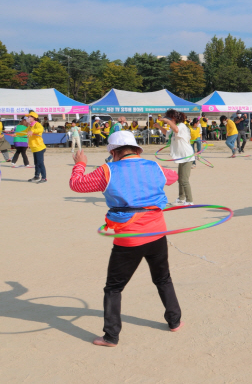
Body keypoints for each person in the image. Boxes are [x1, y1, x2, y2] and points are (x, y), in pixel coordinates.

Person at [69, 131, 183, 346]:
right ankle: (174, 322)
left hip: (130, 237)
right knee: (163, 278)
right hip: (157, 232)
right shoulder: (154, 167)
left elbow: (77, 184)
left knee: (114, 288)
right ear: (136, 149)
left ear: (113, 152)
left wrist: (80, 164)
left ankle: (111, 336)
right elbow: (173, 176)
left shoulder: (107, 171)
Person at [156, 110, 194, 206]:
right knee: (180, 179)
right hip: (181, 157)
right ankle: (181, 198)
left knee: (184, 180)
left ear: (174, 118)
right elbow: (167, 133)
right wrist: (159, 127)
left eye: (169, 118)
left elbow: (176, 130)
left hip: (186, 156)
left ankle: (189, 201)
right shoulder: (174, 128)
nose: (167, 120)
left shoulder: (181, 126)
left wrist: (167, 121)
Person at [24, 111, 47, 183]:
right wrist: (15, 134)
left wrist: (32, 131)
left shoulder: (37, 124)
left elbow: (41, 129)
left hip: (39, 147)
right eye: (28, 117)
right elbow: (24, 132)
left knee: (40, 163)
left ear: (34, 118)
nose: (28, 118)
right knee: (36, 163)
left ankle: (44, 178)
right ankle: (37, 176)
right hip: (34, 148)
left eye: (30, 117)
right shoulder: (29, 126)